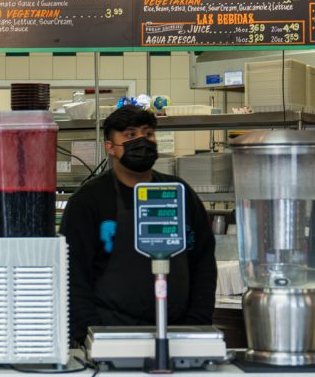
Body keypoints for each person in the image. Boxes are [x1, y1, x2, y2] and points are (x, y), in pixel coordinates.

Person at [60, 105, 217, 346]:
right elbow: (73, 275)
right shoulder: (88, 200)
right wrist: (90, 335)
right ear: (110, 147)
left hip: (179, 334)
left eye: (148, 133)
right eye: (130, 135)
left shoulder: (179, 193)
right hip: (110, 335)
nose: (142, 141)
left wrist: (196, 324)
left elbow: (203, 262)